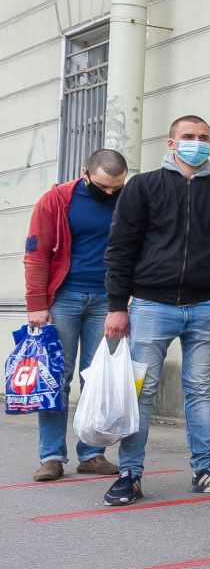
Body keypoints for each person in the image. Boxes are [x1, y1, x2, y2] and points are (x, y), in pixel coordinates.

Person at [102, 116, 210, 506]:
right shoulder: (143, 186)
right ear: (172, 143)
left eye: (204, 138)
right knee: (142, 393)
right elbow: (121, 248)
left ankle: (204, 469)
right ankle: (129, 474)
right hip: (151, 306)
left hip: (205, 308)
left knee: (199, 391)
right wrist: (118, 306)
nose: (197, 143)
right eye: (188, 137)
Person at [22, 150, 129, 481]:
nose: (109, 193)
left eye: (117, 187)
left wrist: (124, 302)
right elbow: (36, 252)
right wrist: (36, 304)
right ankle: (51, 456)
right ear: (85, 172)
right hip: (63, 298)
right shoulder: (56, 199)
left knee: (97, 379)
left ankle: (92, 453)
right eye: (102, 186)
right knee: (56, 378)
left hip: (108, 300)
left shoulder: (130, 199)